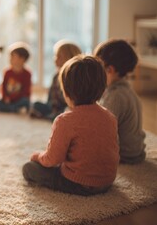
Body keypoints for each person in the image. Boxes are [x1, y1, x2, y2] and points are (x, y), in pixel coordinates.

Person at [22, 55, 119, 196]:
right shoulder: (110, 117)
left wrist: (37, 156)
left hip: (79, 183)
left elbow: (52, 159)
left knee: (29, 168)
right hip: (107, 181)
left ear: (66, 93)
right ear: (103, 89)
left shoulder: (65, 120)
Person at [95, 39, 146, 164]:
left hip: (124, 153)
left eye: (99, 68)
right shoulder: (128, 90)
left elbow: (103, 130)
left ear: (110, 70)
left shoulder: (115, 96)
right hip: (136, 150)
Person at [30, 40, 82, 121]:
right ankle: (52, 116)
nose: (55, 59)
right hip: (52, 107)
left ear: (70, 58)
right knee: (36, 104)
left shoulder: (73, 78)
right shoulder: (55, 77)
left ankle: (53, 117)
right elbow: (50, 97)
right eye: (55, 56)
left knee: (66, 111)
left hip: (65, 107)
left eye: (59, 56)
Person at [0, 42, 31, 113]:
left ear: (22, 59)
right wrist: (5, 97)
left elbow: (26, 91)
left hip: (19, 100)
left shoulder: (27, 74)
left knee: (25, 101)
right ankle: (12, 108)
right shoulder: (7, 72)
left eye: (13, 56)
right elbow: (3, 87)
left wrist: (16, 99)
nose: (10, 59)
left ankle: (8, 108)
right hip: (8, 100)